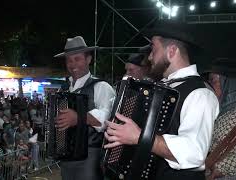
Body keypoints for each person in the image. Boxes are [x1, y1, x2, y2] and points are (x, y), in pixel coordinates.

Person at [104, 20, 219, 180]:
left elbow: (195, 152)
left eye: (153, 48)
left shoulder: (200, 93)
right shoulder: (162, 87)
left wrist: (139, 137)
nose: (150, 57)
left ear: (171, 51)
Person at [54, 36, 116, 180]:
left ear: (88, 59)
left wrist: (79, 117)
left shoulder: (101, 87)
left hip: (91, 158)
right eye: (69, 60)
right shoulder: (63, 89)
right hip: (66, 158)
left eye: (77, 59)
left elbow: (107, 119)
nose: (72, 64)